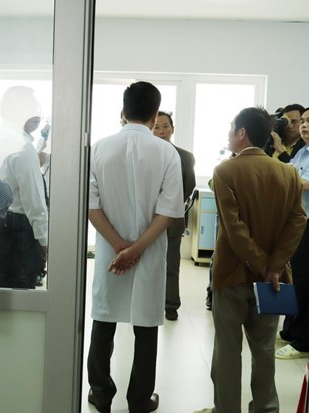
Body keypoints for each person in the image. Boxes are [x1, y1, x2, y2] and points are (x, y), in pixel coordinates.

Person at [195, 107, 307, 413]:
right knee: (265, 349)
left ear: (242, 133)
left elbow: (234, 230)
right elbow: (298, 221)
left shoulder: (225, 171)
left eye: (232, 129)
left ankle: (226, 409)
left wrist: (260, 263)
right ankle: (266, 408)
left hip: (231, 275)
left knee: (228, 350)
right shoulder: (289, 173)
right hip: (273, 282)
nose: (229, 135)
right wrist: (273, 266)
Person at [87, 81, 184, 413]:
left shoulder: (98, 148)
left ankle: (100, 392)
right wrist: (137, 249)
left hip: (110, 255)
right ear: (155, 114)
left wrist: (118, 246)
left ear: (123, 111)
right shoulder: (166, 152)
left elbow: (90, 205)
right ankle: (139, 400)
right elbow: (169, 211)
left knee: (104, 320)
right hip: (149, 253)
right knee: (146, 329)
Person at [276, 106, 309, 360]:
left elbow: (306, 184)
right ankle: (289, 331)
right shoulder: (304, 151)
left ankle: (303, 342)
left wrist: (278, 178)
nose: (303, 125)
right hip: (299, 223)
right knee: (293, 278)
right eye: (302, 121)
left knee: (306, 283)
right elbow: (290, 174)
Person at [0, 86, 48, 289]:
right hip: (19, 231)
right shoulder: (22, 147)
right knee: (21, 295)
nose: (38, 115)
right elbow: (34, 202)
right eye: (33, 108)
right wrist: (44, 241)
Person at [153, 111, 196, 320]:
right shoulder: (144, 153)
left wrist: (168, 207)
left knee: (171, 264)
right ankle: (146, 301)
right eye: (156, 127)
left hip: (172, 219)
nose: (161, 132)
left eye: (165, 126)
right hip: (146, 219)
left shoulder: (185, 156)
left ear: (173, 128)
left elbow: (189, 186)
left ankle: (170, 305)